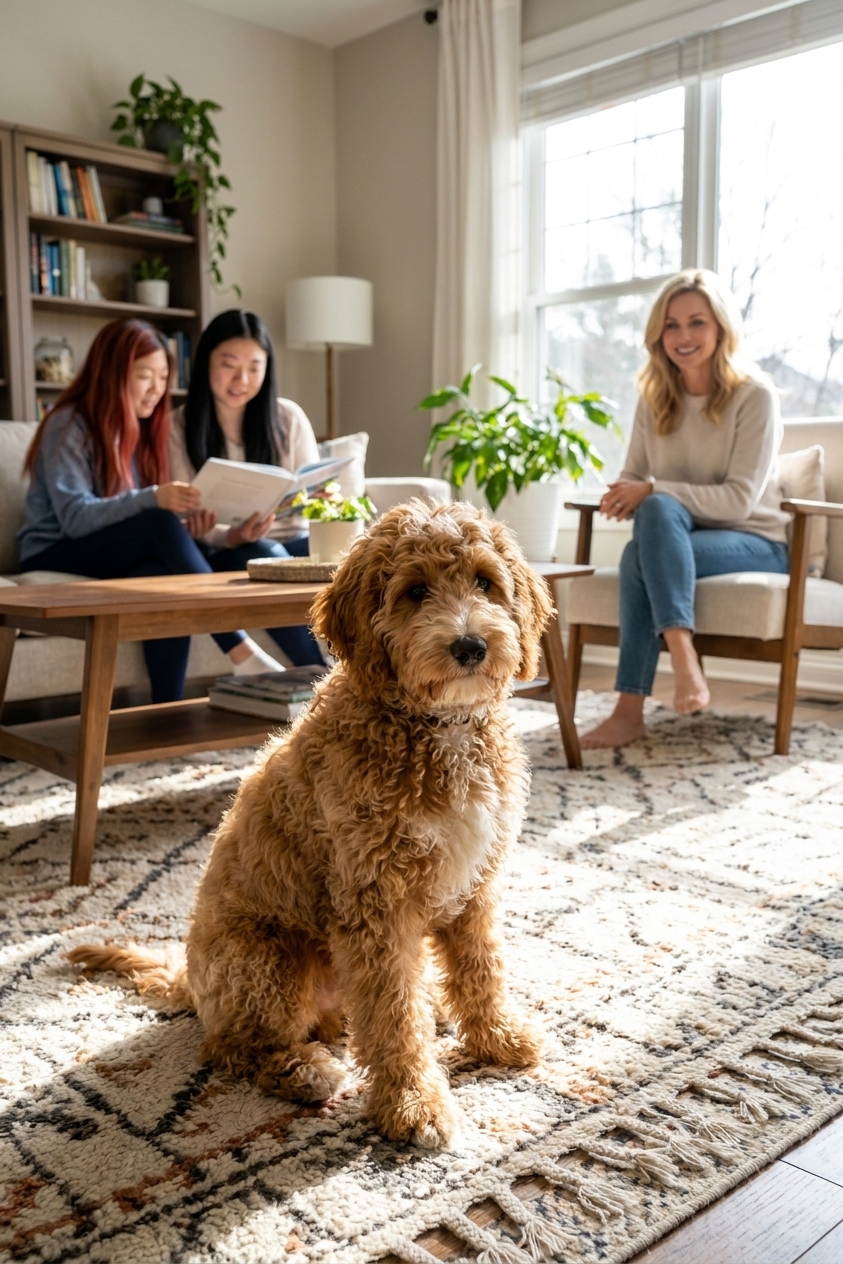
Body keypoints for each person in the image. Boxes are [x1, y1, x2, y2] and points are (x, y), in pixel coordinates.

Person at [17, 319, 286, 704]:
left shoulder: (141, 430)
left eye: (163, 376)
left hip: (105, 552)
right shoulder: (69, 423)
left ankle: (169, 711)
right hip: (52, 549)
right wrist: (155, 499)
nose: (156, 388)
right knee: (157, 522)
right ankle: (239, 649)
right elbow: (76, 519)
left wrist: (190, 525)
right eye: (145, 375)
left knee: (159, 573)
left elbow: (127, 518)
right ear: (111, 373)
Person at [580, 269, 790, 750]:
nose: (683, 336)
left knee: (652, 521)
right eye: (671, 325)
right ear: (658, 335)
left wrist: (653, 490)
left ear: (720, 328)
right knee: (647, 533)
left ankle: (666, 669)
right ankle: (645, 696)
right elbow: (634, 474)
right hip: (675, 536)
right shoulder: (654, 397)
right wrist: (626, 492)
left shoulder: (753, 395)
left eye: (696, 322)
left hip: (756, 542)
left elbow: (739, 500)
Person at [169, 309, 326, 667]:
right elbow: (184, 517)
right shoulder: (177, 425)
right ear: (205, 361)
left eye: (255, 367)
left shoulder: (288, 418)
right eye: (229, 365)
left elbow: (312, 493)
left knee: (348, 556)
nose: (242, 379)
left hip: (293, 539)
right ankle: (315, 675)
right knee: (265, 550)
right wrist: (231, 535)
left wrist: (316, 498)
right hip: (226, 548)